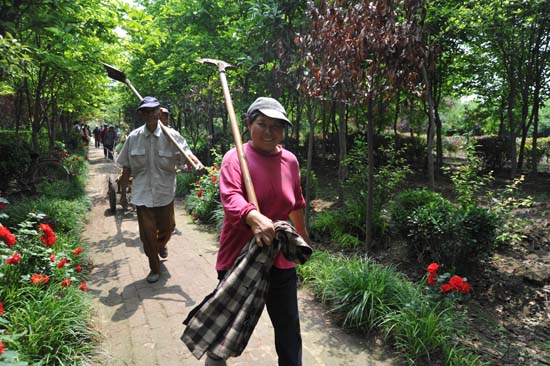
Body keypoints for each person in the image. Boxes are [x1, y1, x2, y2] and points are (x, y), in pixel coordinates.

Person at [207, 97, 309, 366]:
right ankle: (216, 360)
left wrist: (303, 238)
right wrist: (253, 217)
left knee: (289, 330)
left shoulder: (290, 161)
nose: (269, 131)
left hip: (279, 259)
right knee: (227, 327)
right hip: (240, 259)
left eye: (276, 126)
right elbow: (230, 197)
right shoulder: (235, 158)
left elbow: (297, 203)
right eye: (262, 124)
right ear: (248, 123)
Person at [116, 96, 203, 284]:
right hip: (141, 194)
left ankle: (161, 244)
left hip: (164, 193)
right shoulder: (133, 138)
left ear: (159, 112)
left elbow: (187, 155)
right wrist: (123, 194)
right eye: (146, 112)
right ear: (142, 115)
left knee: (168, 228)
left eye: (153, 111)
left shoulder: (173, 137)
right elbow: (126, 168)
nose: (150, 115)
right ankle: (154, 267)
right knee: (147, 235)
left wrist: (197, 164)